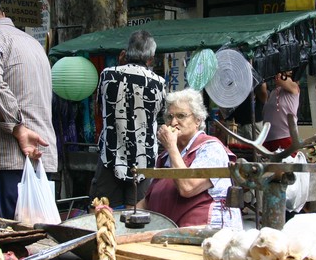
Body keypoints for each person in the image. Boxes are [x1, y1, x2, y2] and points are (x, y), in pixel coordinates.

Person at [0, 0, 57, 220]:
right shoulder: (32, 43)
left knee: (5, 243)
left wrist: (18, 128)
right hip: (40, 157)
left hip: (8, 158)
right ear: (3, 15)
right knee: (35, 239)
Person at [138, 88, 242, 229]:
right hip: (173, 232)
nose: (173, 122)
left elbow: (187, 188)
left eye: (181, 116)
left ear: (197, 120)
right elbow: (147, 202)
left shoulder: (211, 148)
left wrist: (171, 147)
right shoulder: (165, 156)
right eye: (169, 117)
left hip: (210, 233)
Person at [89, 30, 165, 207]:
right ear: (151, 58)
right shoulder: (159, 82)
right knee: (137, 211)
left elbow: (100, 107)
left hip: (110, 155)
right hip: (144, 159)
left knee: (102, 210)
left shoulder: (108, 75)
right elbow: (159, 115)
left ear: (126, 52)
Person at [262, 71, 300, 152]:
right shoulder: (273, 92)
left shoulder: (294, 87)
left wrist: (280, 70)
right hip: (268, 138)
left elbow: (280, 78)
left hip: (285, 136)